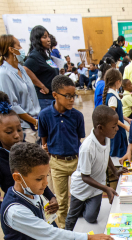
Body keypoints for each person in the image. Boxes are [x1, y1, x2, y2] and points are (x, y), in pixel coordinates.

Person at [0, 91, 57, 215]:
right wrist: (13, 213)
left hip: (39, 208)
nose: (17, 135)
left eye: (19, 129)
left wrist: (51, 197)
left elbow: (40, 177)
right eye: (9, 132)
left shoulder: (28, 151)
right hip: (20, 215)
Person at [66, 105, 126, 232]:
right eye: (114, 126)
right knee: (72, 217)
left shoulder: (106, 138)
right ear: (100, 128)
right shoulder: (88, 148)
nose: (117, 129)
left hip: (97, 187)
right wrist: (106, 188)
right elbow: (84, 177)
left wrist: (115, 171)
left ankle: (86, 207)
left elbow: (106, 155)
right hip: (81, 188)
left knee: (91, 218)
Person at [38, 75, 85, 228]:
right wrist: (46, 151)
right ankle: (64, 230)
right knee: (61, 200)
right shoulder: (44, 115)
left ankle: (80, 225)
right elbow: (44, 140)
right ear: (55, 95)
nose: (72, 99)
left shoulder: (77, 116)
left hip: (76, 162)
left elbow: (80, 139)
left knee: (79, 196)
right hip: (57, 163)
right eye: (68, 96)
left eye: (74, 96)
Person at [0, 34, 41, 142]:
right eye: (19, 46)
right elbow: (12, 105)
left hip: (37, 121)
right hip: (25, 126)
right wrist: (33, 121)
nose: (21, 49)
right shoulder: (4, 74)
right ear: (11, 49)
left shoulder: (21, 68)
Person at [24, 25, 59, 111]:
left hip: (52, 97)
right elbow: (25, 69)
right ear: (37, 40)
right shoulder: (35, 55)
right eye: (44, 37)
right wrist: (42, 86)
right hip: (45, 99)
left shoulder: (44, 55)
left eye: (48, 36)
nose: (48, 39)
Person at [102, 69, 130, 158]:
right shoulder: (113, 97)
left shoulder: (113, 93)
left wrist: (127, 119)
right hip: (117, 131)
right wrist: (125, 126)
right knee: (117, 154)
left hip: (118, 128)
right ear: (118, 81)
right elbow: (112, 117)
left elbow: (118, 113)